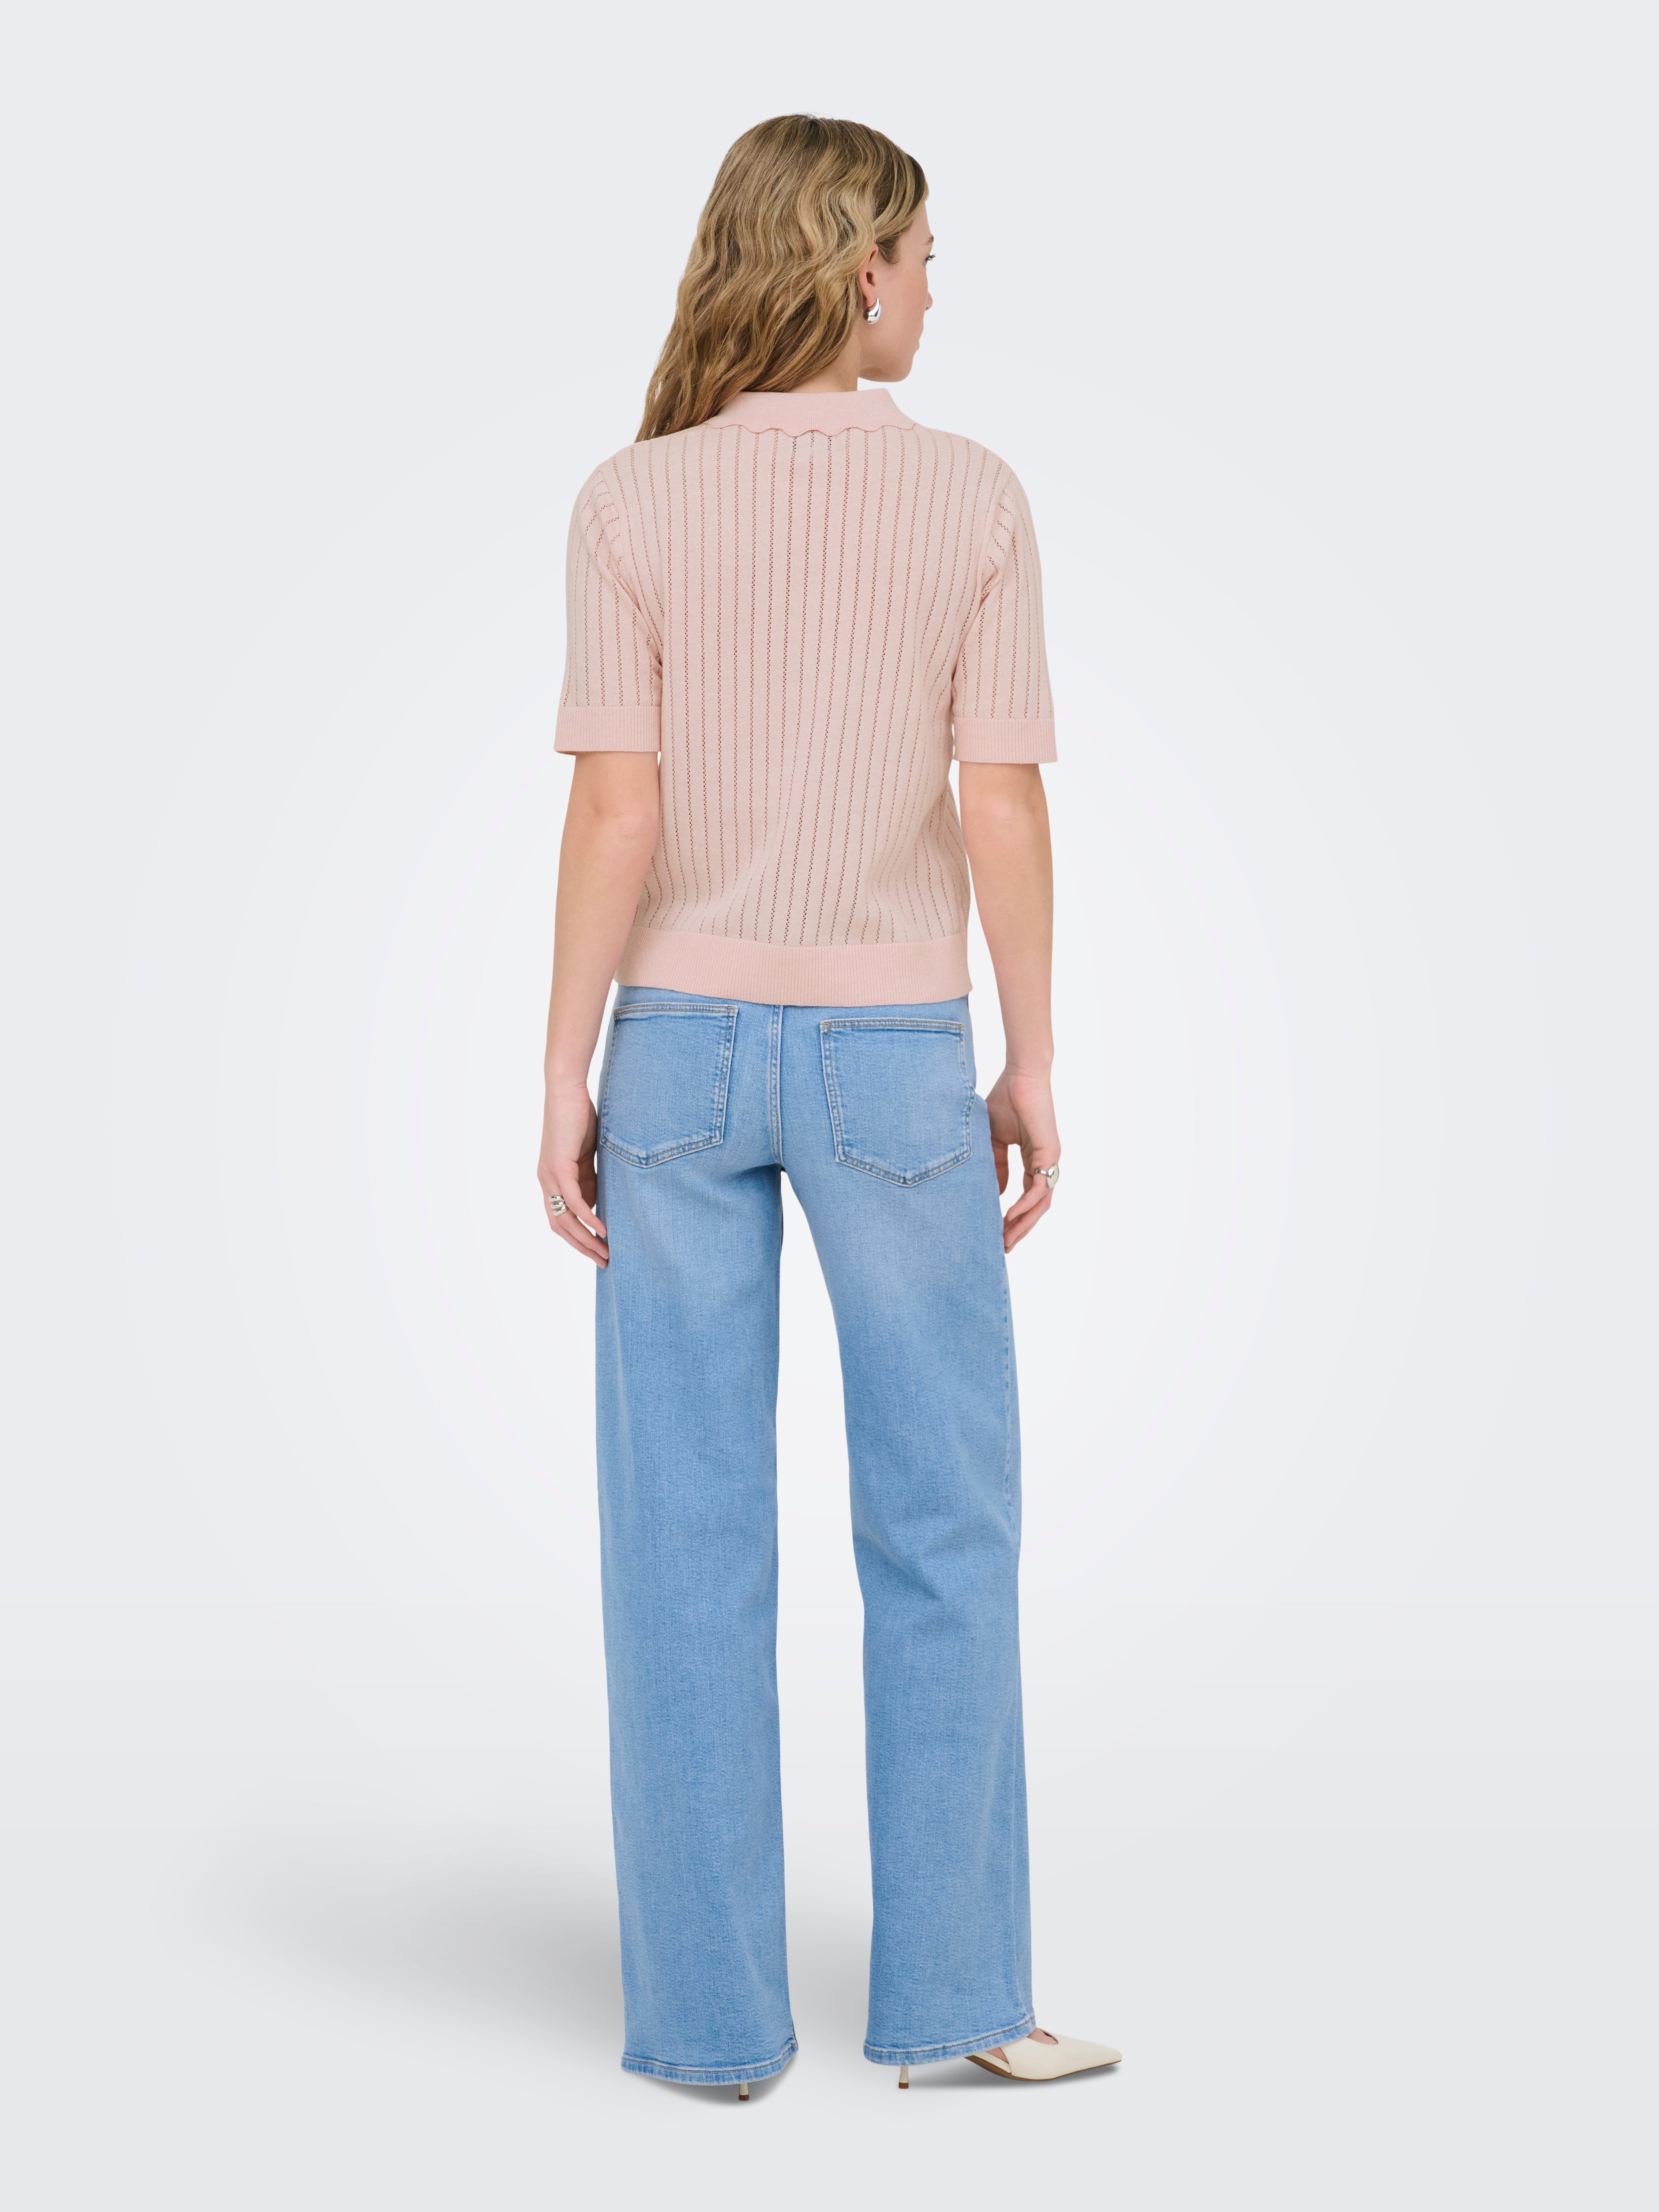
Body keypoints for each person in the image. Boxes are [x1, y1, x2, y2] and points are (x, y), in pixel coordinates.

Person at [537, 113, 1119, 2096]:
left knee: (680, 1540)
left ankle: (709, 2030)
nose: (937, 292)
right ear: (857, 270)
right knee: (944, 1525)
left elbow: (615, 813)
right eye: (924, 259)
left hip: (675, 1057)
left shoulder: (630, 499)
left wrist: (562, 1072)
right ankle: (961, 2006)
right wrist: (1030, 1054)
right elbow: (1000, 802)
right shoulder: (971, 497)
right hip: (891, 1057)